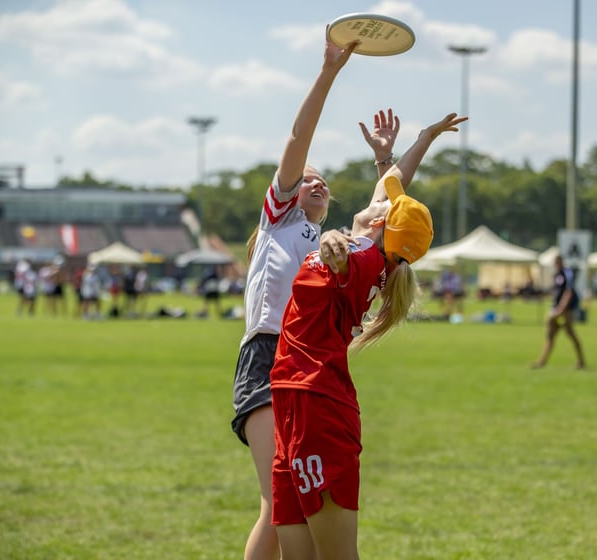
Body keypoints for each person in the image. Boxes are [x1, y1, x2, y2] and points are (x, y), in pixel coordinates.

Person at [230, 28, 401, 560]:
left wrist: (386, 159)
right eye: (308, 179)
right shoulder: (281, 220)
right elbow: (297, 140)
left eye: (324, 180)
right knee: (274, 506)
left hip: (306, 368)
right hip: (268, 359)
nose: (317, 182)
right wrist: (329, 72)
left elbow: (386, 207)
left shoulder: (333, 245)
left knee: (293, 513)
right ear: (286, 191)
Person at [270, 112, 466, 560]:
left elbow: (382, 199)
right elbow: (391, 182)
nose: (381, 194)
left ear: (380, 225)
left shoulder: (358, 260)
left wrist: (330, 247)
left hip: (317, 403)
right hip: (294, 399)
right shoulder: (369, 247)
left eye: (385, 203)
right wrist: (422, 139)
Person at [531, 254, 586, 369]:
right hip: (557, 307)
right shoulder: (557, 275)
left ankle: (581, 361)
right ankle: (542, 361)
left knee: (570, 333)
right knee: (550, 335)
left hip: (565, 309)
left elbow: (568, 291)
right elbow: (557, 291)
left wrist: (562, 308)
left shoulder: (567, 273)